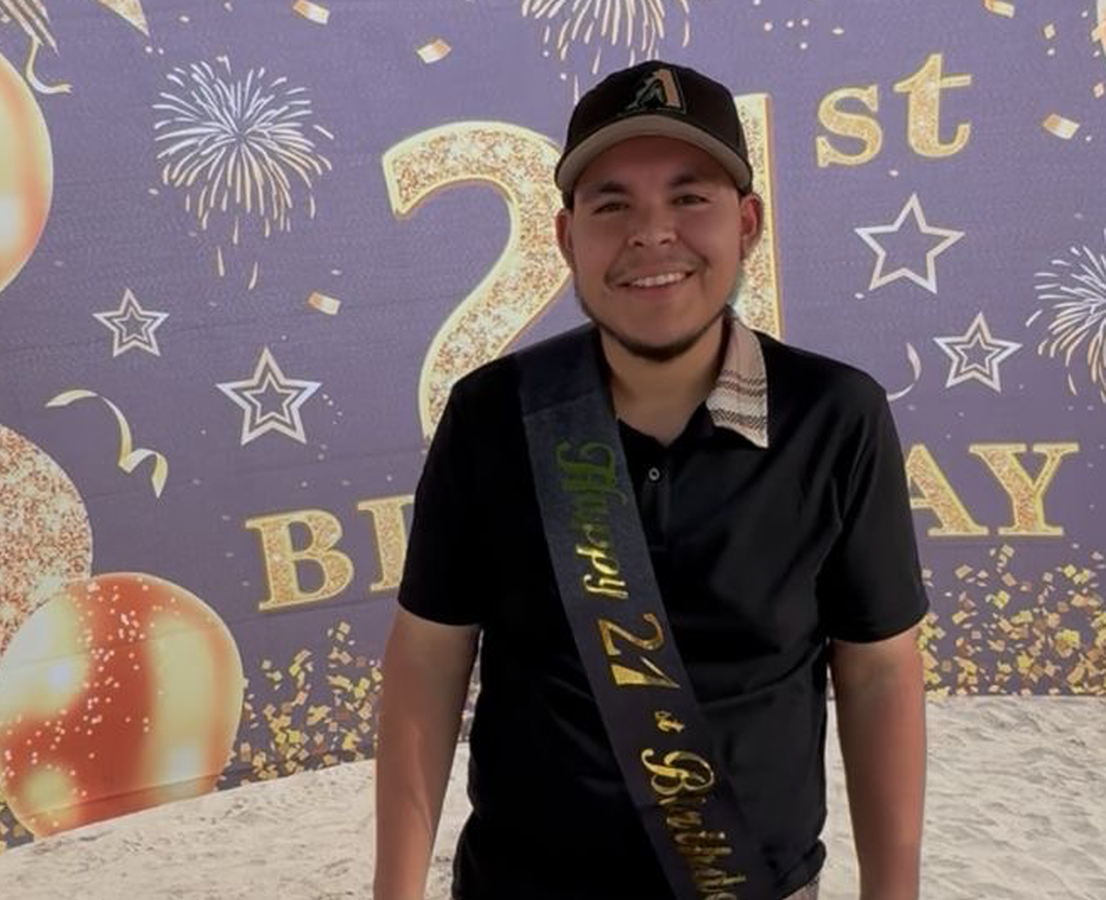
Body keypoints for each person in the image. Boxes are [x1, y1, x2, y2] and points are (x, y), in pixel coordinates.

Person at [375, 60, 928, 900]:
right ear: (567, 239)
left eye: (689, 197)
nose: (651, 233)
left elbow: (879, 670)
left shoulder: (836, 416)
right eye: (612, 205)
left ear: (747, 223)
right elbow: (428, 657)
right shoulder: (493, 415)